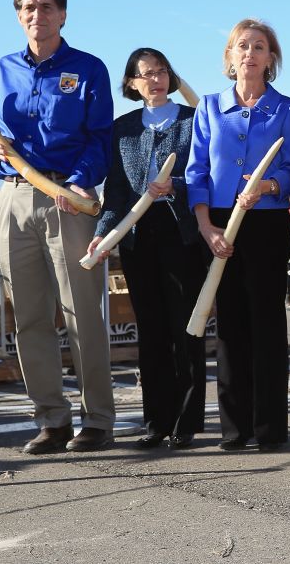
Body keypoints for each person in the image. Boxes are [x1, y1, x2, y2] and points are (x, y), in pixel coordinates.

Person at [0, 0, 115, 453]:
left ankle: (97, 419)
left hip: (69, 197)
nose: (36, 14)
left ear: (62, 15)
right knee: (31, 318)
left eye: (45, 7)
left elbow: (101, 138)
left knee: (83, 314)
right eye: (28, 8)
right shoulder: (2, 70)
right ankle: (52, 420)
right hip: (13, 199)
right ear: (19, 16)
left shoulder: (89, 69)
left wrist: (78, 181)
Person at [186, 19, 290, 451]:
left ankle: (270, 428)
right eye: (241, 46)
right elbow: (195, 170)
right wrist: (205, 226)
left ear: (271, 58)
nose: (249, 53)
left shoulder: (288, 109)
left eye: (259, 46)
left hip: (267, 221)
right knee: (230, 325)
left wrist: (268, 185)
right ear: (229, 57)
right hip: (217, 223)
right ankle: (235, 428)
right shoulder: (210, 108)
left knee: (267, 323)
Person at [87, 48, 206, 449]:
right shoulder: (123, 129)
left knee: (184, 327)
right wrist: (105, 233)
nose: (154, 80)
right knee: (152, 331)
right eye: (144, 74)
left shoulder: (194, 119)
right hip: (137, 234)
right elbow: (116, 191)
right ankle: (157, 421)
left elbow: (207, 173)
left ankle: (188, 422)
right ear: (132, 84)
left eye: (160, 72)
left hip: (181, 231)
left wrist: (176, 187)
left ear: (170, 77)